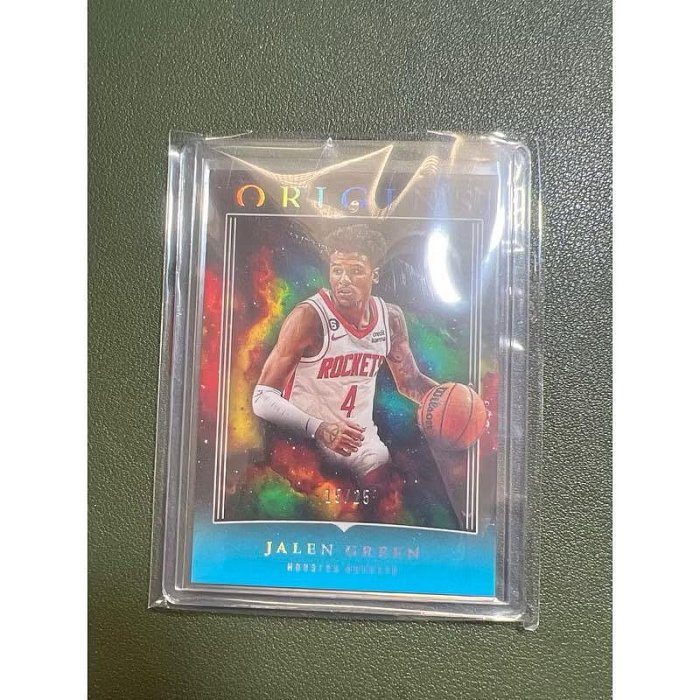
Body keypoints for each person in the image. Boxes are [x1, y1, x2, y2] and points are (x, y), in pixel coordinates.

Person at [252, 223, 438, 486]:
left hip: (364, 449)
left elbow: (411, 383)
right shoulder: (309, 317)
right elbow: (262, 397)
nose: (344, 280)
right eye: (337, 270)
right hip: (306, 446)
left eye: (356, 271)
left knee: (399, 491)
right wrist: (319, 428)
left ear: (374, 275)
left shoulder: (390, 318)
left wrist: (451, 398)